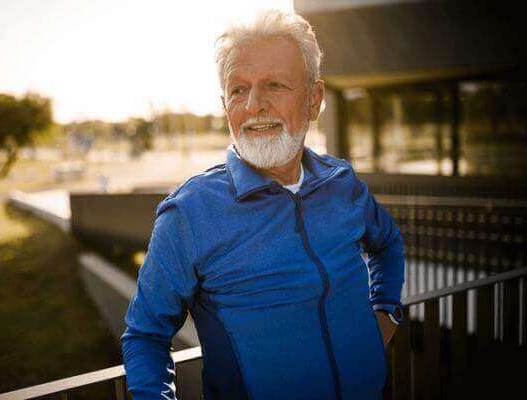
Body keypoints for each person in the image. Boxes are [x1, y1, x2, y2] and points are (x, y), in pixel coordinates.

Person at [121, 10, 405, 400]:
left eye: (275, 84)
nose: (255, 105)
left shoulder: (342, 183)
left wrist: (386, 311)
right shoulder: (189, 213)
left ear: (314, 99)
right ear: (226, 105)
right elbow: (145, 335)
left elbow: (387, 243)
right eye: (239, 90)